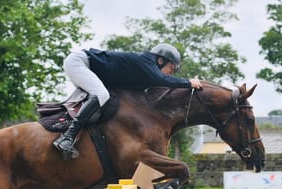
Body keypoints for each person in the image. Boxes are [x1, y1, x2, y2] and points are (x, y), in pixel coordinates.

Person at [53, 43, 203, 159]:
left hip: (88, 67)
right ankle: (67, 137)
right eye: (172, 67)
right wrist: (188, 83)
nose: (172, 72)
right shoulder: (147, 62)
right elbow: (161, 79)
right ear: (160, 60)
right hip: (80, 62)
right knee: (101, 95)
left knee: (105, 101)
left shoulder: (145, 70)